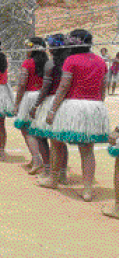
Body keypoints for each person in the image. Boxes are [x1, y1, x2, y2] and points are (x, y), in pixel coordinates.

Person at [38, 29, 109, 203]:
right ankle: (87, 190)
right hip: (94, 106)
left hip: (73, 106)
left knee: (56, 141)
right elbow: (103, 88)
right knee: (87, 150)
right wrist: (99, 105)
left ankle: (54, 179)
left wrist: (53, 110)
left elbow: (63, 87)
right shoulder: (100, 61)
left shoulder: (71, 60)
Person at [29, 34, 70, 184]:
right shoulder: (68, 62)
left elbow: (46, 88)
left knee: (41, 136)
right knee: (60, 139)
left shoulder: (51, 64)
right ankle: (63, 174)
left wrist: (35, 105)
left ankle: (48, 169)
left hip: (51, 101)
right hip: (66, 103)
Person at [13, 37, 48, 175]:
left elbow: (22, 84)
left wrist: (17, 103)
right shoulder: (48, 63)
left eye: (28, 46)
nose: (26, 49)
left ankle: (36, 159)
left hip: (30, 96)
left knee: (26, 128)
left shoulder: (27, 63)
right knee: (40, 129)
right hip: (44, 97)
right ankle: (45, 162)